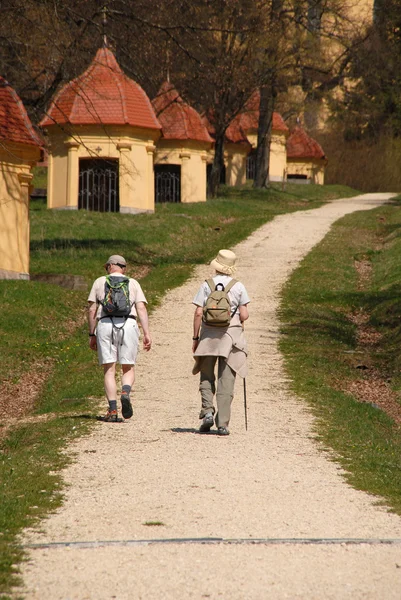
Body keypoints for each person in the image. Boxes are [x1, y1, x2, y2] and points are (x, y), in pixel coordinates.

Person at [192, 249, 249, 436]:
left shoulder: (206, 285)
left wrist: (195, 338)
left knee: (207, 376)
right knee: (227, 380)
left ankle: (207, 411)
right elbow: (244, 315)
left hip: (209, 336)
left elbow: (199, 312)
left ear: (216, 265)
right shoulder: (238, 286)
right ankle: (223, 424)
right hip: (230, 338)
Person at [87, 254, 152, 422]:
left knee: (109, 369)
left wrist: (91, 333)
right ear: (124, 268)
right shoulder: (133, 283)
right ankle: (125, 391)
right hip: (128, 325)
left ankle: (113, 410)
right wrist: (146, 333)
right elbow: (142, 309)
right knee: (127, 367)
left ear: (109, 266)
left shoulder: (100, 282)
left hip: (105, 325)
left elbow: (92, 310)